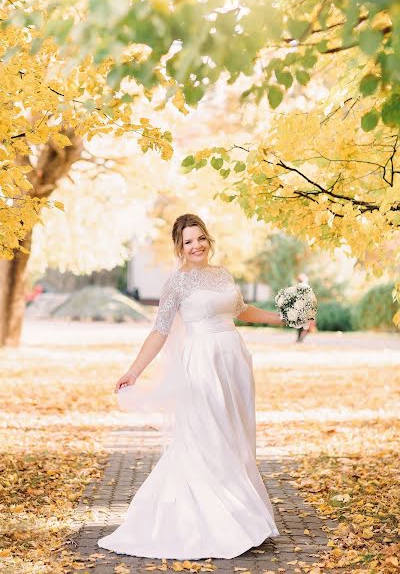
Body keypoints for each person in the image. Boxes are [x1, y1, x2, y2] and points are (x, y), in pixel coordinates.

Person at [97, 214, 312, 560]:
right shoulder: (176, 284)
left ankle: (241, 516)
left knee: (234, 435)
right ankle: (209, 522)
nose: (195, 246)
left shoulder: (222, 274)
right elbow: (160, 330)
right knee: (207, 437)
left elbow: (242, 310)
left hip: (234, 363)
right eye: (187, 241)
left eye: (200, 239)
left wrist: (287, 318)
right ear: (179, 248)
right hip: (202, 366)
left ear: (208, 240)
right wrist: (134, 371)